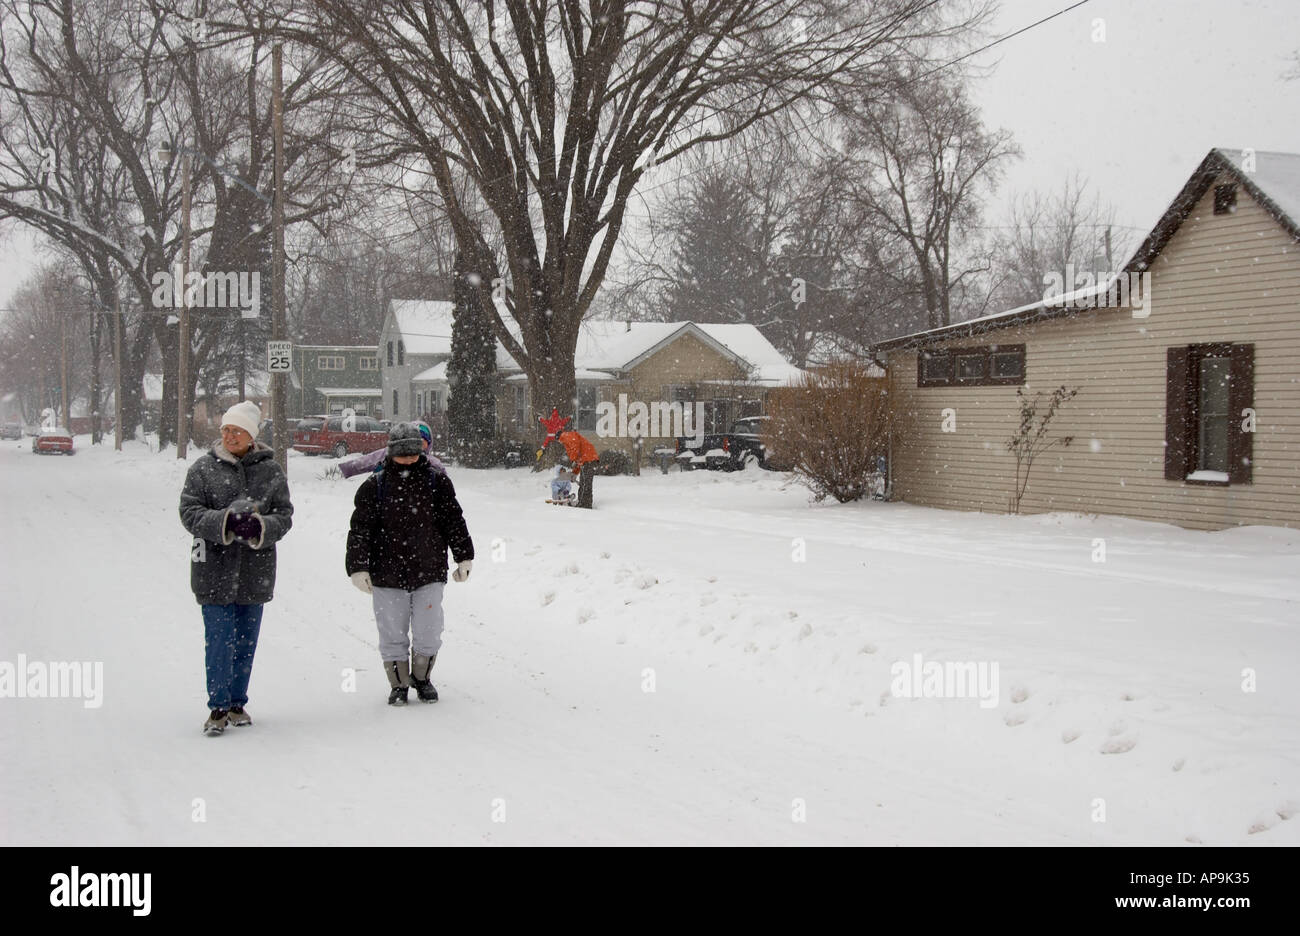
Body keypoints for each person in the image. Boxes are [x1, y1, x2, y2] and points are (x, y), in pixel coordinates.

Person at [179, 400, 294, 735]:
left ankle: (236, 702)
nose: (230, 436)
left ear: (251, 436)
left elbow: (284, 516)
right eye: (226, 429)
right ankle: (217, 707)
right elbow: (189, 513)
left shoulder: (271, 471)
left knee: (245, 641)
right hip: (213, 571)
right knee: (219, 639)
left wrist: (260, 527)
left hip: (254, 571)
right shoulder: (202, 469)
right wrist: (226, 523)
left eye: (237, 430)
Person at [345, 422, 474, 705]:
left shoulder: (437, 482)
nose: (407, 459)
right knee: (391, 631)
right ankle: (399, 684)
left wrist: (464, 556)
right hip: (386, 573)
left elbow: (454, 521)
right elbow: (360, 529)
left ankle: (422, 678)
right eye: (401, 454)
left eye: (412, 454)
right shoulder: (374, 486)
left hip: (428, 570)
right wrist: (358, 567)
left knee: (429, 629)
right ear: (391, 453)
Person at [338, 420, 444, 479]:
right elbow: (369, 460)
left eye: (422, 440)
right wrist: (349, 468)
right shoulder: (391, 453)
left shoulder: (432, 461)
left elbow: (442, 476)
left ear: (429, 442)